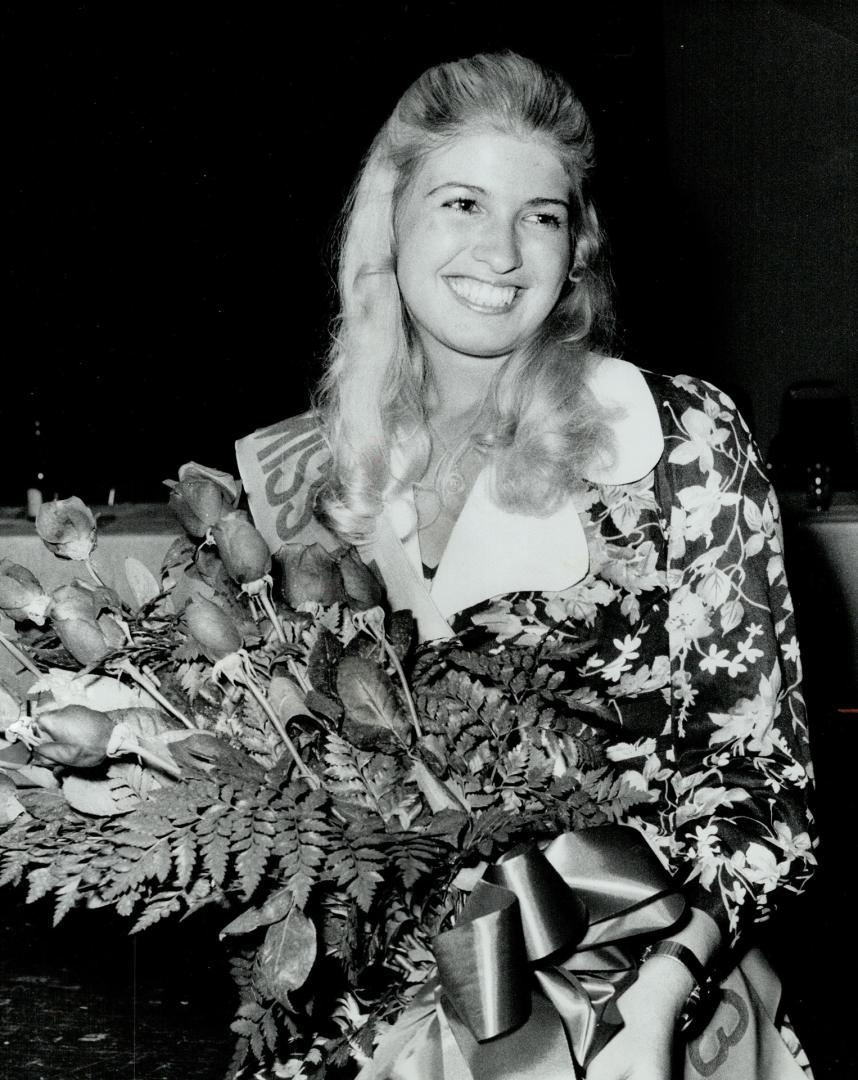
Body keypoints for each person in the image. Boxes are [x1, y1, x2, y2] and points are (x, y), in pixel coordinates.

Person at [237, 51, 816, 1080]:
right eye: (462, 201)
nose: (502, 253)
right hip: (373, 1030)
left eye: (541, 215)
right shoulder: (318, 473)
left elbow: (765, 793)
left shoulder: (675, 442)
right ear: (392, 219)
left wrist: (663, 994)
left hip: (629, 1016)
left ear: (576, 245)